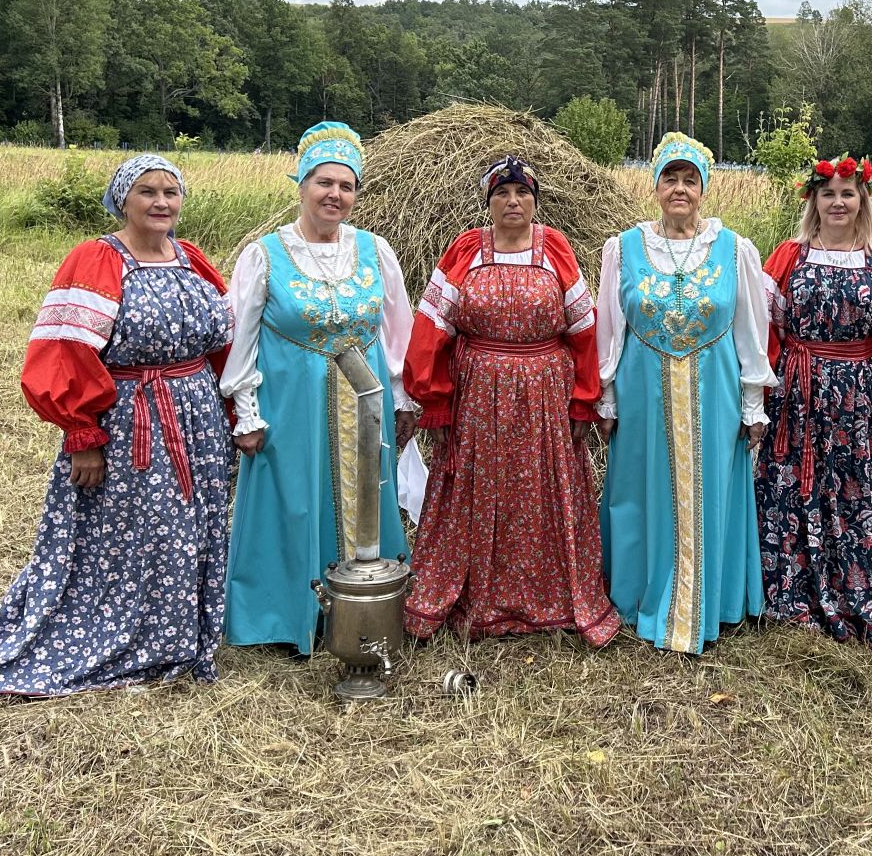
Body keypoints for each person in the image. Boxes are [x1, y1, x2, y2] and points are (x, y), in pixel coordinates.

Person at [0, 155, 234, 696]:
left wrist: (234, 412)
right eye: (147, 192)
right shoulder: (97, 259)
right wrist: (82, 434)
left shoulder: (191, 260)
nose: (161, 203)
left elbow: (225, 342)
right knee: (131, 538)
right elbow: (63, 353)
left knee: (186, 535)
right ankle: (117, 638)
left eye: (171, 192)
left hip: (197, 420)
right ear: (122, 199)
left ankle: (177, 640)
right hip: (128, 422)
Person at [401, 156, 620, 645]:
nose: (513, 201)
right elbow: (431, 327)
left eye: (522, 193)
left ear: (535, 201)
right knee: (477, 490)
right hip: (478, 395)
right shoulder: (466, 251)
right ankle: (473, 594)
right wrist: (433, 400)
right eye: (502, 193)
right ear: (489, 203)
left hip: (546, 395)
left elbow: (584, 330)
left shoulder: (555, 249)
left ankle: (550, 595)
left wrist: (584, 400)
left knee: (542, 490)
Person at [220, 122, 416, 654]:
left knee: (367, 498)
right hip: (291, 404)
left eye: (346, 186)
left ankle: (364, 612)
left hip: (365, 403)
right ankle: (285, 615)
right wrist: (246, 411)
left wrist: (402, 400)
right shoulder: (265, 254)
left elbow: (398, 334)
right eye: (323, 182)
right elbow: (240, 335)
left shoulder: (376, 251)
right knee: (293, 502)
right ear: (302, 185)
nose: (335, 194)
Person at [597, 132, 775, 654]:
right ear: (655, 187)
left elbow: (750, 329)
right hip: (642, 393)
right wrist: (606, 398)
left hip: (715, 394)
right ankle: (641, 593)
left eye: (689, 179)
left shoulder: (735, 249)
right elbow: (611, 328)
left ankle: (708, 597)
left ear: (704, 189)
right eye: (670, 178)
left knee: (711, 488)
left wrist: (753, 402)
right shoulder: (623, 248)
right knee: (640, 488)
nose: (680, 188)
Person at [755, 154, 872, 645]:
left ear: (862, 200)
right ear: (814, 200)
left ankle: (854, 589)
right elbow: (767, 325)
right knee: (794, 485)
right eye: (828, 193)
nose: (838, 202)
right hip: (798, 392)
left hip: (857, 394)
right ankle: (793, 588)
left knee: (852, 487)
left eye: (848, 193)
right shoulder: (789, 255)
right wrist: (765, 390)